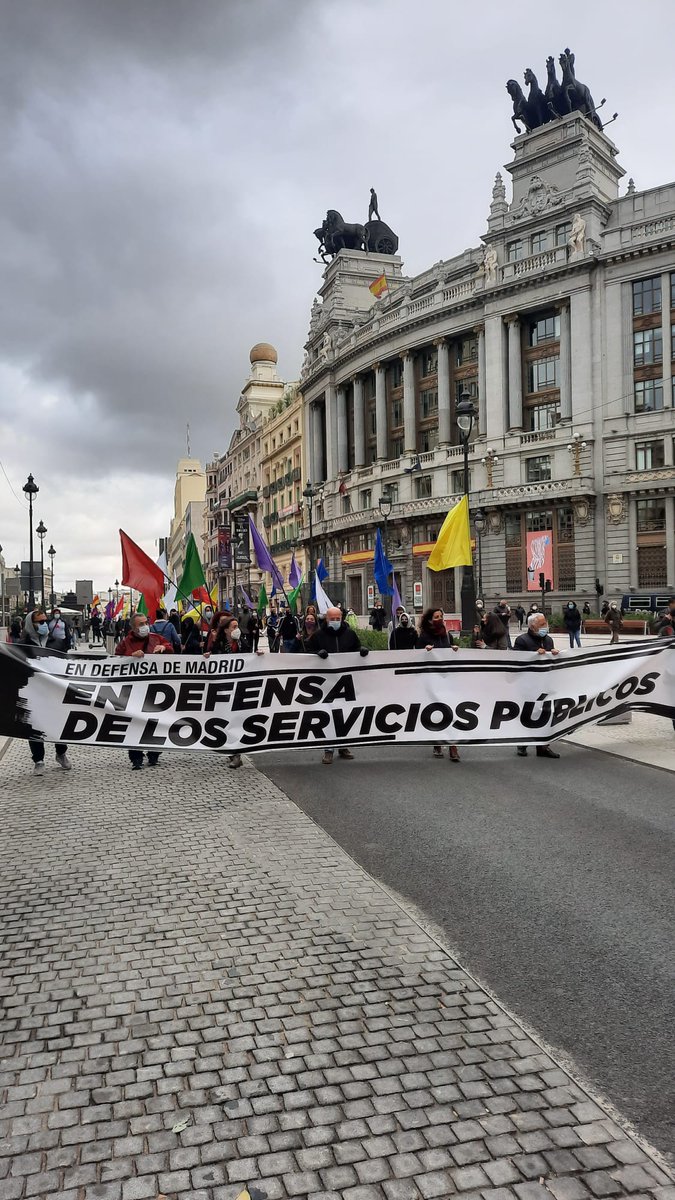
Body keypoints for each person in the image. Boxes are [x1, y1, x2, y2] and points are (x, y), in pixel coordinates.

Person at [307, 606, 368, 764]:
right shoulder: (318, 636)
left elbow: (356, 648)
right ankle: (328, 749)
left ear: (342, 618)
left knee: (345, 715)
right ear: (327, 619)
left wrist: (361, 651)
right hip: (326, 683)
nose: (335, 621)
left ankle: (343, 746)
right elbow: (307, 653)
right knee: (329, 715)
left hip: (345, 682)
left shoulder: (350, 634)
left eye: (337, 618)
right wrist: (317, 653)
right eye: (332, 618)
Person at [115, 613, 173, 769]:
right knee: (134, 724)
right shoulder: (126, 642)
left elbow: (171, 649)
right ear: (133, 627)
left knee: (155, 723)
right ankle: (136, 758)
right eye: (140, 624)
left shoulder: (156, 638)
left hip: (155, 690)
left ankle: (154, 754)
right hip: (135, 691)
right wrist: (130, 656)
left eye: (146, 623)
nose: (144, 626)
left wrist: (164, 647)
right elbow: (116, 660)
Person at [20, 609, 71, 774]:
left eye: (45, 621)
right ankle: (39, 760)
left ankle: (61, 753)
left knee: (58, 725)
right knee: (34, 727)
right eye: (40, 622)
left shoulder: (57, 642)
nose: (44, 624)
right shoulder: (21, 646)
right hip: (33, 693)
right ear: (31, 624)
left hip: (54, 692)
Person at [210, 615, 262, 767]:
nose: (237, 629)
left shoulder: (243, 643)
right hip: (224, 689)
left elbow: (249, 659)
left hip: (240, 689)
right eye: (233, 627)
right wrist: (207, 657)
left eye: (237, 626)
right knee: (228, 720)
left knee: (238, 720)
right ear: (226, 630)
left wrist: (257, 656)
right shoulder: (218, 645)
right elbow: (212, 662)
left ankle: (236, 752)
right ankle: (234, 754)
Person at [514, 613, 560, 759]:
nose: (545, 627)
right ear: (532, 626)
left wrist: (554, 654)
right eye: (542, 624)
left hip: (545, 683)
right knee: (527, 714)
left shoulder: (548, 640)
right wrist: (533, 654)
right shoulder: (522, 640)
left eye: (545, 623)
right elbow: (517, 660)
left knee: (545, 713)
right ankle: (522, 743)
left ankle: (543, 746)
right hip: (528, 684)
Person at [418, 608, 461, 762]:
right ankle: (437, 742)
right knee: (437, 711)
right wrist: (425, 651)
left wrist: (454, 649)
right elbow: (416, 655)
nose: (440, 619)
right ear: (430, 620)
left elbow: (451, 648)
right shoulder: (424, 636)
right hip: (432, 680)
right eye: (436, 617)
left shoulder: (446, 634)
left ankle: (453, 746)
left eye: (441, 616)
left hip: (448, 678)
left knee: (451, 710)